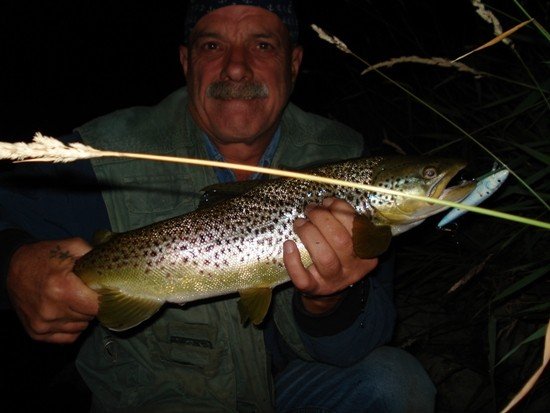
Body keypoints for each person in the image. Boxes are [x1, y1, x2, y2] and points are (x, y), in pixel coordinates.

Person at [0, 1, 436, 411]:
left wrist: (330, 302)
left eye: (262, 45)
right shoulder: (104, 154)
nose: (236, 67)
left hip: (292, 387)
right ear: (187, 62)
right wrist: (15, 264)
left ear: (295, 62)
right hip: (159, 400)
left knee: (395, 381)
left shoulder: (347, 159)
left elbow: (361, 342)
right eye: (213, 46)